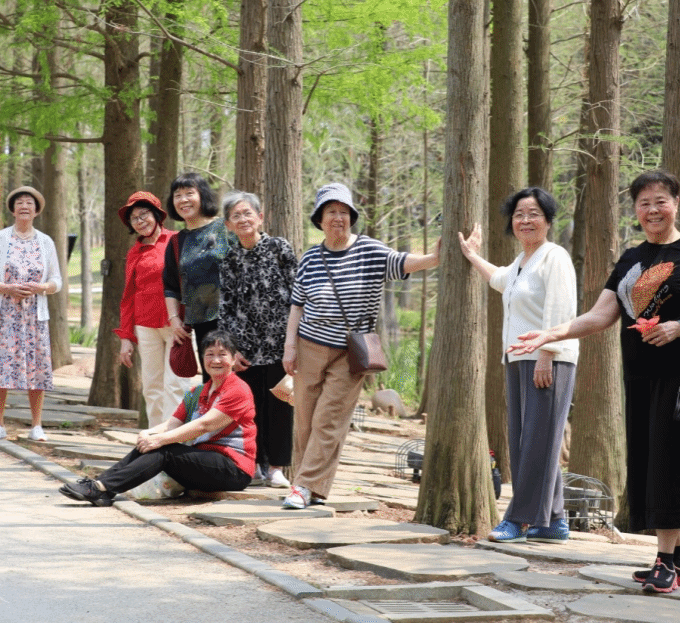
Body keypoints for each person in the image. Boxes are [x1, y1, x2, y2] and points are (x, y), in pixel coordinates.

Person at [509, 169, 680, 593]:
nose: (653, 210)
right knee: (650, 461)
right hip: (640, 378)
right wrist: (551, 334)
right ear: (635, 210)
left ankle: (664, 562)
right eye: (644, 203)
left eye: (661, 201)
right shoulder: (631, 259)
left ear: (677, 204)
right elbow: (601, 315)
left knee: (670, 463)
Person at [282, 183, 439, 509]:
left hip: (349, 352)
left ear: (351, 217)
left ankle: (302, 486)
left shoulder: (368, 249)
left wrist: (434, 258)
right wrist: (289, 347)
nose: (337, 218)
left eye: (343, 212)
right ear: (320, 219)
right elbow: (297, 305)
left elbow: (402, 262)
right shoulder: (310, 257)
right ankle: (311, 488)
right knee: (305, 421)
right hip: (309, 346)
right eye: (331, 212)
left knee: (328, 419)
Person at [458, 187, 577, 543]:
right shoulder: (522, 262)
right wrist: (472, 255)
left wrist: (547, 353)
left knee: (536, 442)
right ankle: (553, 520)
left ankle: (519, 519)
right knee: (531, 440)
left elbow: (561, 308)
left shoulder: (554, 257)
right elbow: (499, 280)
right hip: (518, 358)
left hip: (548, 360)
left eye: (533, 213)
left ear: (548, 220)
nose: (525, 220)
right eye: (519, 214)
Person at [58, 331, 256, 506]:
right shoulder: (197, 392)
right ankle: (100, 486)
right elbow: (172, 423)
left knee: (164, 449)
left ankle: (101, 488)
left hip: (234, 469)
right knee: (150, 443)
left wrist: (160, 440)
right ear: (203, 358)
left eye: (222, 354)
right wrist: (149, 434)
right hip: (203, 462)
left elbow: (205, 425)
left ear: (233, 359)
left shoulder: (238, 390)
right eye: (210, 354)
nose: (216, 360)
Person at [218, 191, 296, 488]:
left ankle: (276, 467)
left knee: (279, 407)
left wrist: (296, 341)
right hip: (245, 349)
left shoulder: (279, 248)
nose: (243, 219)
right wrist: (230, 349)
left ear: (260, 217)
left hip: (280, 344)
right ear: (228, 225)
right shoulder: (229, 259)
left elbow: (298, 294)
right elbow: (225, 307)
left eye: (247, 213)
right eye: (236, 216)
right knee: (249, 409)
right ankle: (252, 464)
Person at [0, 186, 63, 442]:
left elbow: (57, 280)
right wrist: (7, 288)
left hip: (34, 315)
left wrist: (41, 288)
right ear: (13, 210)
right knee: (0, 366)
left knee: (37, 367)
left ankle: (36, 425)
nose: (24, 206)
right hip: (4, 313)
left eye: (29, 203)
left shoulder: (46, 242)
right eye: (19, 203)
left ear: (36, 211)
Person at [114, 190, 186, 428]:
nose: (140, 221)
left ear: (156, 214)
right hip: (145, 325)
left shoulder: (177, 240)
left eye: (144, 214)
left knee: (175, 385)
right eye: (134, 218)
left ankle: (172, 439)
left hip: (177, 324)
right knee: (152, 386)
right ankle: (155, 439)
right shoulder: (134, 253)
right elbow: (128, 297)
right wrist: (126, 338)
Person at [162, 173, 234, 366]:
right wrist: (174, 319)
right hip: (203, 325)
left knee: (239, 378)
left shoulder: (226, 228)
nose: (183, 200)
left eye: (189, 193)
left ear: (203, 195)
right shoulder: (177, 241)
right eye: (178, 195)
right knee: (212, 377)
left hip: (236, 320)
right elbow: (170, 286)